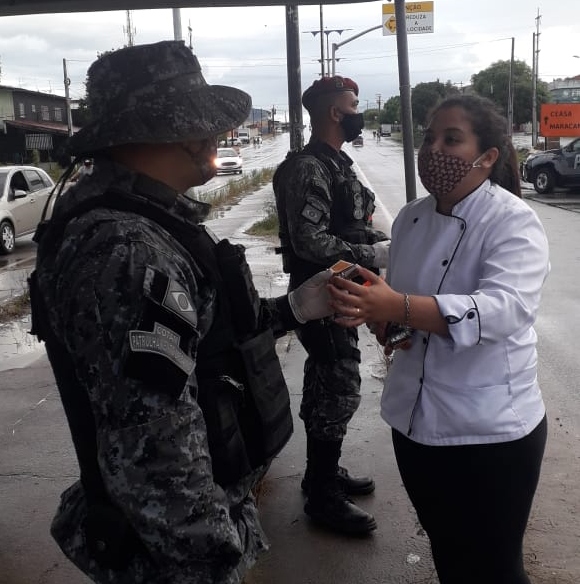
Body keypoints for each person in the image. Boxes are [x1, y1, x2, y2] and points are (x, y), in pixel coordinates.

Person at [28, 40, 333, 584]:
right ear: (176, 130)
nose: (216, 136)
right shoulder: (128, 249)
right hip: (173, 554)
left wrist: (295, 309)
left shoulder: (146, 223)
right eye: (205, 123)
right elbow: (154, 448)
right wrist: (210, 557)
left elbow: (203, 341)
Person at [327, 94, 550, 583]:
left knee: (495, 568)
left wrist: (397, 307)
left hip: (489, 432)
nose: (434, 150)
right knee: (448, 554)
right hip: (415, 423)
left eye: (452, 139)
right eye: (429, 138)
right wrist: (385, 321)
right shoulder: (410, 218)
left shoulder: (512, 220)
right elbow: (407, 304)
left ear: (487, 156)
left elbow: (506, 309)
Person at [273, 75, 390, 536]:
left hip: (345, 287)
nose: (360, 110)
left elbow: (353, 225)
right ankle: (322, 494)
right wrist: (371, 255)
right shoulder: (309, 168)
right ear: (335, 112)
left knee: (329, 382)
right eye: (355, 103)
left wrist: (381, 244)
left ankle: (321, 473)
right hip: (321, 291)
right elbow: (309, 241)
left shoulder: (338, 163)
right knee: (337, 382)